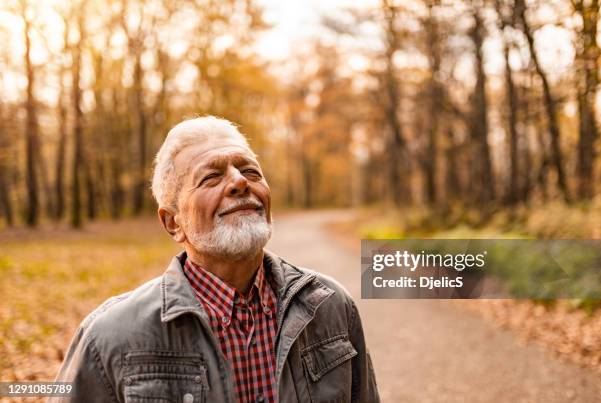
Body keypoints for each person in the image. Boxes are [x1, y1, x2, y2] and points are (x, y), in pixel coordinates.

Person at [53, 116, 379, 402]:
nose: (239, 182)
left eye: (250, 170)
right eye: (211, 177)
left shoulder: (332, 306)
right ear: (173, 222)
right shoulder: (108, 337)